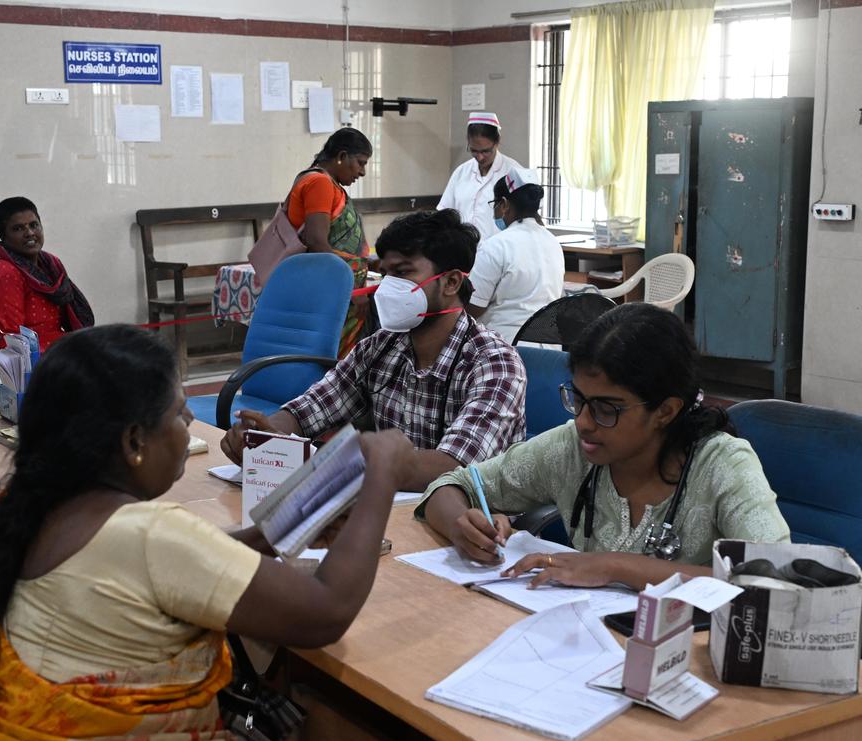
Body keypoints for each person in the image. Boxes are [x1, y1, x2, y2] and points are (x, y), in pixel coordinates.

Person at [0, 324, 409, 741]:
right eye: (180, 414)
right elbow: (326, 610)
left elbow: (156, 568)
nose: (189, 427)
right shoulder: (151, 536)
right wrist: (382, 473)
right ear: (134, 442)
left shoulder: (24, 511)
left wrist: (269, 531)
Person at [419, 303, 790, 591]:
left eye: (606, 409)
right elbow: (451, 485)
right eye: (578, 399)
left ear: (665, 410)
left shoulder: (722, 464)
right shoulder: (571, 448)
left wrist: (616, 567)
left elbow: (774, 579)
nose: (583, 421)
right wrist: (461, 527)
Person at [222, 209, 526, 492]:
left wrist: (332, 465)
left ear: (450, 282)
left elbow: (454, 468)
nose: (388, 287)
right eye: (385, 274)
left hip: (469, 521)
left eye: (402, 273)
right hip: (388, 504)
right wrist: (266, 435)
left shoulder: (494, 363)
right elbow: (312, 408)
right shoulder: (380, 347)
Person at [284, 127, 373, 357]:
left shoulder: (325, 182)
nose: (362, 172)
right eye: (360, 163)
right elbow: (317, 242)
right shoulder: (320, 183)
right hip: (331, 288)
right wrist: (352, 287)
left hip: (333, 284)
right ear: (342, 156)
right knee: (328, 357)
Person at [0, 197, 94, 351]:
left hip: (56, 348)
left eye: (34, 225)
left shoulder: (51, 265)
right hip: (21, 357)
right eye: (18, 229)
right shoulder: (3, 272)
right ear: (3, 235)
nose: (30, 233)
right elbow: (12, 340)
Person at [466, 168, 564, 344]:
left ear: (504, 204)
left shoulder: (496, 246)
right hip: (549, 348)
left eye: (494, 204)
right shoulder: (553, 242)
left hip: (505, 346)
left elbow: (474, 307)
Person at [437, 112, 526, 241]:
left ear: (497, 142)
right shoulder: (461, 172)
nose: (480, 157)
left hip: (500, 250)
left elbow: (525, 220)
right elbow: (446, 213)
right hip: (464, 249)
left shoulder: (514, 173)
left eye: (486, 151)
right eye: (474, 150)